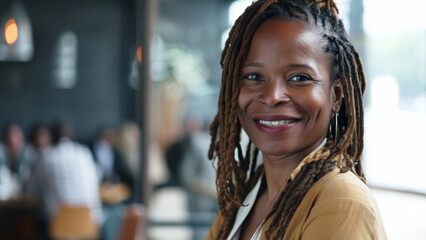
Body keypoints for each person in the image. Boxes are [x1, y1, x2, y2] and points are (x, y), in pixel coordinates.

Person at [206, 0, 386, 239]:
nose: (272, 97)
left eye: (299, 77)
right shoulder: (247, 194)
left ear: (336, 96)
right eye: (254, 76)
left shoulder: (340, 199)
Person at [25, 123, 103, 225]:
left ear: (51, 138)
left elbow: (30, 191)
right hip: (91, 224)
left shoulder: (46, 157)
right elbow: (97, 179)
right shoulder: (85, 153)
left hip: (59, 226)